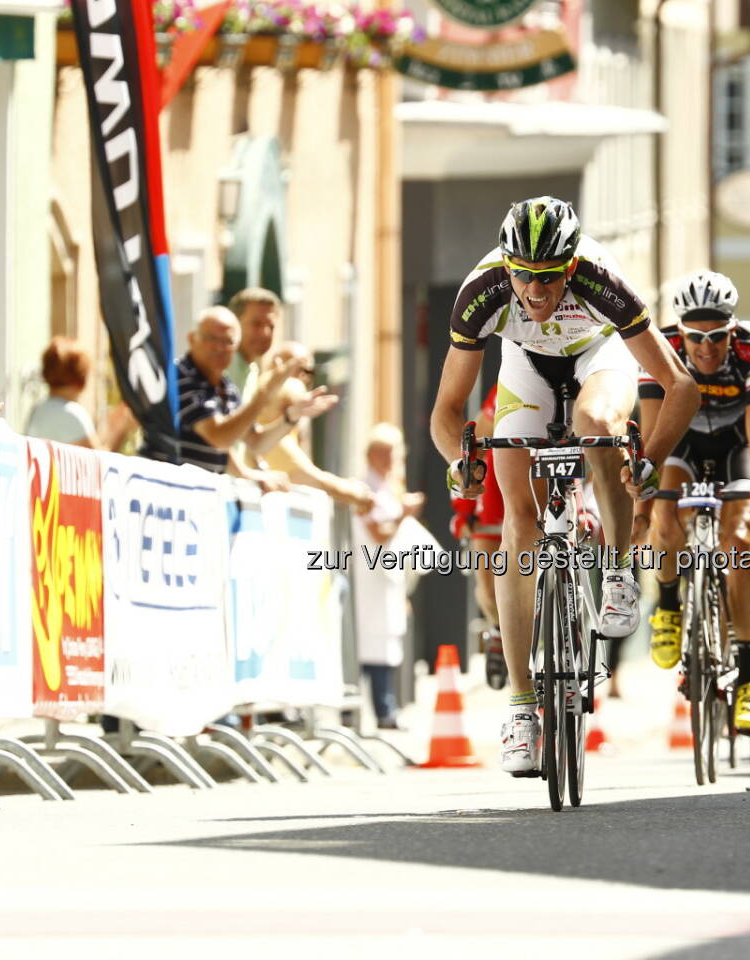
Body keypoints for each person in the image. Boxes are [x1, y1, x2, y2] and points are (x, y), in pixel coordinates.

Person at [429, 196, 697, 776]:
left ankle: (620, 570)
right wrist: (460, 462)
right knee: (517, 524)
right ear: (507, 267)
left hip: (598, 359)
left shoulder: (604, 282)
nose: (536, 291)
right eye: (524, 275)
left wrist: (648, 459)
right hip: (524, 369)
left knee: (596, 426)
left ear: (571, 267)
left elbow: (679, 386)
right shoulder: (483, 292)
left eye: (549, 277)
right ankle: (523, 711)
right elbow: (446, 411)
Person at [639, 270, 750, 731]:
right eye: (696, 337)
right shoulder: (659, 348)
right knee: (665, 515)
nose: (706, 347)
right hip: (680, 444)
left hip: (734, 447)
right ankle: (667, 605)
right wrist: (644, 501)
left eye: (717, 336)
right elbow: (651, 435)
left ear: (732, 329)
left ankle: (748, 679)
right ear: (680, 331)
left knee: (740, 544)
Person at [140, 307, 335, 489]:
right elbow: (219, 436)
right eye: (211, 339)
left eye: (228, 342)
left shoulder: (226, 387)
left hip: (197, 500)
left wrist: (291, 415)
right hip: (166, 495)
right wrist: (264, 394)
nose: (219, 347)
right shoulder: (179, 376)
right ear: (192, 339)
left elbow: (256, 442)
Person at [353, 423, 427, 730]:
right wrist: (403, 515)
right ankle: (378, 710)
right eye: (384, 453)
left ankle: (386, 708)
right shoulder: (364, 488)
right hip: (368, 578)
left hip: (388, 578)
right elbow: (378, 532)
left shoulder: (390, 486)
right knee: (369, 644)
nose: (390, 459)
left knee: (386, 642)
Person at [249, 341, 374, 509]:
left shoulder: (287, 420)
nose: (305, 378)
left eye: (310, 372)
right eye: (300, 369)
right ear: (275, 366)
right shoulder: (268, 417)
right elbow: (306, 476)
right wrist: (354, 493)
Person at [450, 385, 508, 689]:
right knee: (487, 585)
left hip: (543, 484)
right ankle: (498, 630)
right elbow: (477, 447)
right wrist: (465, 507)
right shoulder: (504, 387)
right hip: (496, 496)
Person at [25, 336, 133, 450]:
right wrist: (123, 428)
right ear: (81, 377)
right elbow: (99, 462)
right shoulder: (71, 413)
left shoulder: (39, 409)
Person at [225, 287, 281, 396]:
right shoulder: (220, 367)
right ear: (235, 323)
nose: (265, 333)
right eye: (256, 324)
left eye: (271, 326)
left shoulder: (253, 370)